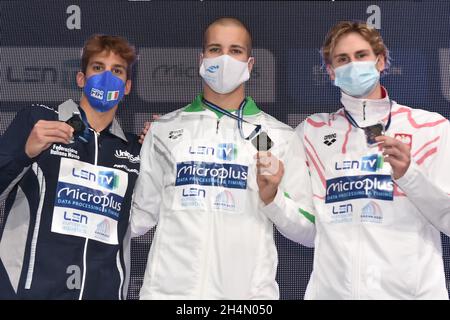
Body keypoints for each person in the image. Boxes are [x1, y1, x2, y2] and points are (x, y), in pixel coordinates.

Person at [131, 17, 316, 300]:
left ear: (250, 65)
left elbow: (310, 232)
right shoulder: (164, 130)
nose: (225, 59)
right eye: (216, 49)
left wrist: (273, 198)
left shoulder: (276, 136)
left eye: (235, 51)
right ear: (201, 59)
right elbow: (139, 216)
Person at [263, 20, 450, 299]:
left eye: (361, 56)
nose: (353, 65)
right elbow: (310, 232)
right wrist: (272, 199)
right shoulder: (312, 133)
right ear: (331, 71)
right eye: (342, 59)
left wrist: (410, 175)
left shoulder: (431, 129)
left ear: (381, 61)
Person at [0, 34, 142, 299]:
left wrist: (161, 141)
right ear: (81, 78)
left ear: (127, 87)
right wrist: (24, 153)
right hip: (27, 291)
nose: (106, 77)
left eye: (117, 71)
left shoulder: (137, 150)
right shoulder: (38, 120)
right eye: (98, 68)